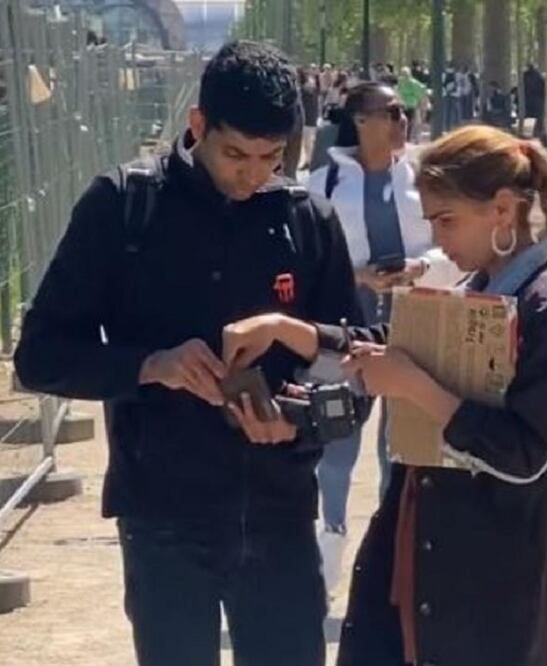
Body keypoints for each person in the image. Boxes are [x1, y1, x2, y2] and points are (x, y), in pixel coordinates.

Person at [13, 41, 364, 666]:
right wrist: (149, 366)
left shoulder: (308, 221)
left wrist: (296, 420)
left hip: (278, 514)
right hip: (162, 517)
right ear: (197, 125)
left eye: (272, 157)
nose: (253, 175)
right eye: (235, 155)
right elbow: (39, 356)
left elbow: (360, 370)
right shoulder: (124, 207)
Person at [335, 125, 547, 665]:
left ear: (502, 210)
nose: (438, 240)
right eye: (431, 222)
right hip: (439, 571)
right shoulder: (482, 290)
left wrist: (415, 387)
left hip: (489, 594)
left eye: (447, 220)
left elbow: (523, 454)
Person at [307, 81, 461, 598]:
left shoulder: (426, 179)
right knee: (336, 444)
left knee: (401, 449)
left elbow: (455, 249)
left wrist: (420, 268)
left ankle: (390, 556)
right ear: (360, 121)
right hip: (344, 329)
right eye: (391, 112)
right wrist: (359, 278)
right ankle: (328, 550)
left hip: (412, 328)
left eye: (405, 111)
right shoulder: (320, 185)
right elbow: (310, 266)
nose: (403, 120)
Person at [396, 66, 429, 142]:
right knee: (405, 122)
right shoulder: (400, 82)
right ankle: (406, 138)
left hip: (412, 105)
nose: (404, 76)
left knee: (413, 123)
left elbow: (422, 91)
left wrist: (422, 103)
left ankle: (411, 138)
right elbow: (398, 91)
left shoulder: (413, 83)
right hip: (403, 105)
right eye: (403, 74)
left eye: (406, 74)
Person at [299, 66, 320, 170]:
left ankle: (310, 161)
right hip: (309, 119)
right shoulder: (308, 88)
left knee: (308, 142)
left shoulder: (305, 89)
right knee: (308, 142)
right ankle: (309, 161)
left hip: (307, 119)